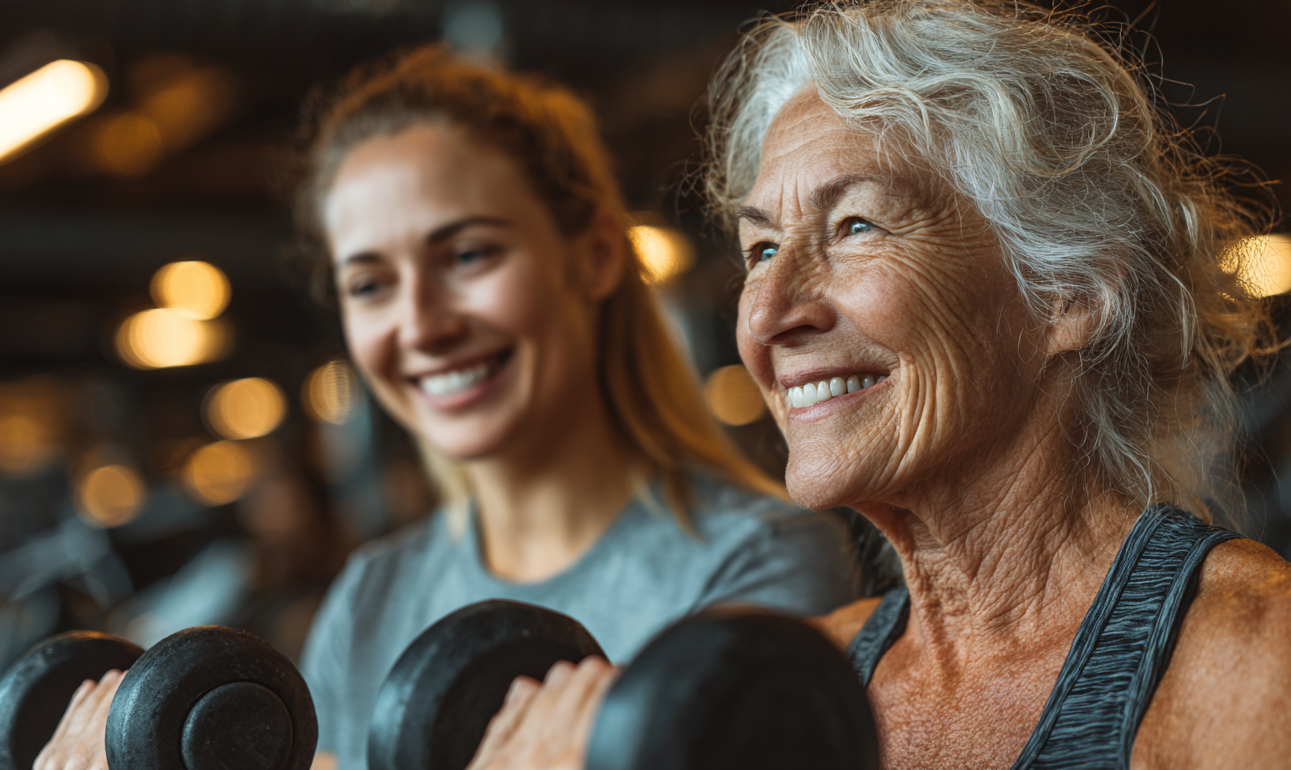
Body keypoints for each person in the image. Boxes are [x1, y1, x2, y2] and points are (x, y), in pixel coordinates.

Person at [465, 0, 1291, 770]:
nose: (767, 312)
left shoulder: (1267, 668)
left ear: (1066, 297)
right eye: (760, 249)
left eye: (854, 227)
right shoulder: (801, 686)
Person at [31, 46, 858, 770]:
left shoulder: (761, 563)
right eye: (371, 284)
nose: (421, 324)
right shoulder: (373, 595)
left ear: (597, 256)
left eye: (467, 254)